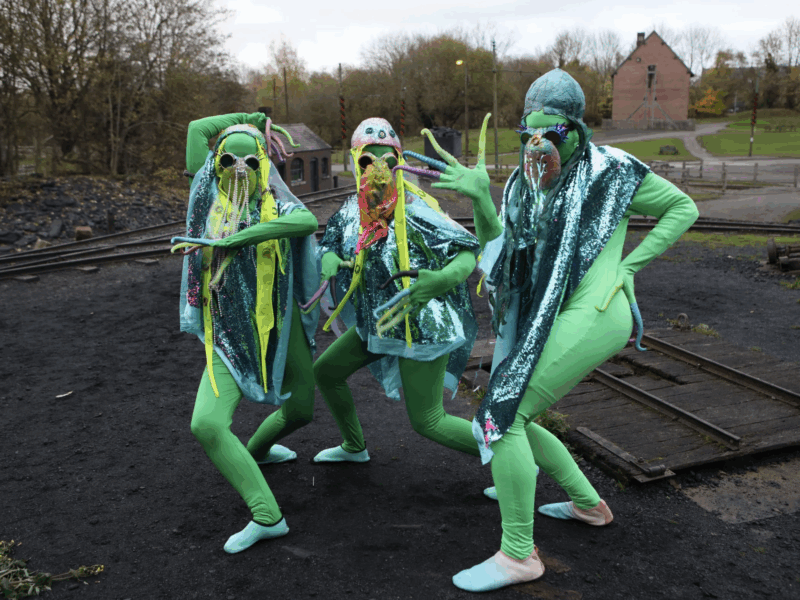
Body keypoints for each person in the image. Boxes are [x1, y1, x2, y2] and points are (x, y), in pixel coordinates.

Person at [415, 69, 699, 592]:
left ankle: (519, 555)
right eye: (529, 135)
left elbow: (683, 207)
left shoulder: (611, 169)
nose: (540, 144)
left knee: (503, 414)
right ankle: (590, 506)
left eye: (554, 133)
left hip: (596, 313)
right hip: (548, 313)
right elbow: (503, 258)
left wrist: (629, 268)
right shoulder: (524, 184)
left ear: (577, 129)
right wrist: (481, 200)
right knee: (516, 413)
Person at [170, 112, 320, 553]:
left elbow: (306, 221)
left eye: (250, 162)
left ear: (263, 164)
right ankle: (266, 515)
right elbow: (197, 128)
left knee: (302, 411)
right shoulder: (205, 189)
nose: (239, 170)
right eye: (228, 160)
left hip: (282, 325)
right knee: (207, 424)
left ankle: (257, 450)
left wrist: (237, 239)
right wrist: (250, 118)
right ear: (214, 163)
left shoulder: (275, 198)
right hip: (228, 331)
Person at [311, 117, 483, 465]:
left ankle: (513, 463)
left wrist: (441, 280)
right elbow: (330, 240)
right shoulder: (351, 210)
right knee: (326, 372)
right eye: (367, 161)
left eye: (389, 161)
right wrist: (328, 257)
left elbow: (467, 250)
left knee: (429, 421)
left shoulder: (416, 208)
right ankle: (354, 446)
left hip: (422, 326)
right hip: (378, 322)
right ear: (355, 161)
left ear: (400, 163)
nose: (378, 170)